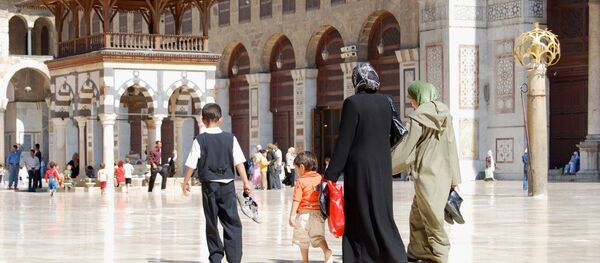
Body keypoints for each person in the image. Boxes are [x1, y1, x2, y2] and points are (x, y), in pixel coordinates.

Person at [324, 63, 407, 262]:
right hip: (382, 166)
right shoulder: (386, 102)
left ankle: (360, 256)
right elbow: (397, 134)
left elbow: (345, 141)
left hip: (360, 168)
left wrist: (331, 175)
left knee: (359, 212)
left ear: (356, 80)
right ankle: (392, 254)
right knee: (381, 211)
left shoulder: (352, 103)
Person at [391, 80, 461, 263]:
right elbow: (452, 147)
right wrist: (455, 178)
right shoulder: (446, 114)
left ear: (418, 97)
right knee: (417, 216)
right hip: (443, 175)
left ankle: (440, 256)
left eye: (411, 99)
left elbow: (407, 149)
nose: (411, 103)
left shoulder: (418, 118)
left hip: (426, 175)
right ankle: (418, 252)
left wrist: (385, 166)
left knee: (432, 220)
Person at [182, 103, 252, 263]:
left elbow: (191, 164)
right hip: (227, 186)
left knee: (211, 222)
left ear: (203, 120)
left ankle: (216, 257)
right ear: (220, 120)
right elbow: (239, 161)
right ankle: (234, 258)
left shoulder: (199, 140)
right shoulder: (230, 138)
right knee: (232, 221)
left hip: (209, 187)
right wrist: (246, 182)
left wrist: (185, 182)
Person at [289, 151, 332, 263]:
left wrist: (292, 215)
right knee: (319, 237)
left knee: (302, 239)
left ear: (302, 167)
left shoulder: (300, 181)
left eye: (296, 169)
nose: (297, 172)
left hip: (304, 214)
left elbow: (296, 199)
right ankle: (327, 251)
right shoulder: (320, 178)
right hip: (318, 214)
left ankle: (305, 261)